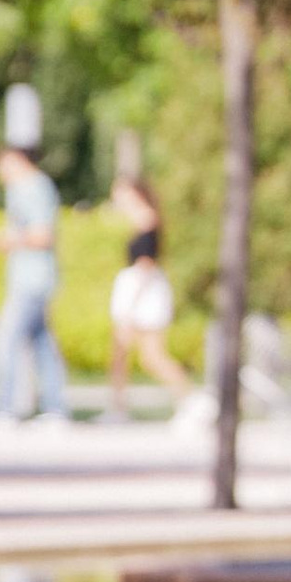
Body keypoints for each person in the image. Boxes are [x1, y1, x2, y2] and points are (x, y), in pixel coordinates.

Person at [0, 100, 70, 423]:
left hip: (33, 280)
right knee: (41, 346)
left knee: (5, 340)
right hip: (32, 278)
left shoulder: (33, 187)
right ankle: (55, 408)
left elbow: (44, 234)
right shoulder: (28, 188)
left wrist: (13, 240)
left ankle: (6, 407)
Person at [105, 171, 189, 413]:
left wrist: (131, 304)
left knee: (151, 356)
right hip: (137, 288)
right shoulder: (137, 222)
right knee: (120, 354)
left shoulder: (148, 222)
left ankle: (189, 399)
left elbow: (146, 265)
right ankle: (118, 407)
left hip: (144, 292)